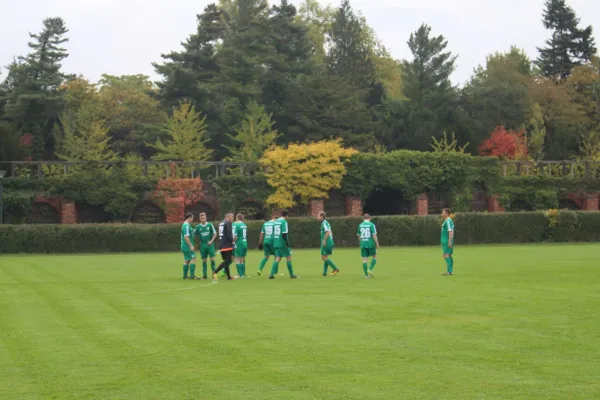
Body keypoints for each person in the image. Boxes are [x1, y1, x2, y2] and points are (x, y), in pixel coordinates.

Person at [269, 209, 298, 279]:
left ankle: (271, 274)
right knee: (289, 257)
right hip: (282, 242)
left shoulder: (276, 221)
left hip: (276, 242)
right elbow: (284, 234)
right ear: (286, 215)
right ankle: (292, 275)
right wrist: (287, 244)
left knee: (278, 258)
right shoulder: (284, 222)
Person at [193, 212, 217, 280]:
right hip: (202, 245)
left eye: (204, 218)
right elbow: (194, 235)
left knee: (212, 259)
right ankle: (204, 275)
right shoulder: (198, 227)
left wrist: (211, 241)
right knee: (204, 260)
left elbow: (215, 234)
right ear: (200, 219)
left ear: (206, 218)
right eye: (202, 218)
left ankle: (214, 274)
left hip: (210, 245)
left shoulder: (210, 225)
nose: (203, 219)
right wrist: (196, 244)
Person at [213, 212, 234, 281]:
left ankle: (228, 276)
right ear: (228, 217)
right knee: (228, 260)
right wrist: (233, 240)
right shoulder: (228, 223)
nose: (233, 218)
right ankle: (215, 271)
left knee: (226, 261)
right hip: (227, 244)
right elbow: (229, 234)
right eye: (232, 217)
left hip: (222, 244)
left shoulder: (221, 223)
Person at [318, 211, 340, 276]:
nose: (317, 217)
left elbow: (327, 232)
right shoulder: (327, 223)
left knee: (323, 258)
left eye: (318, 216)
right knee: (326, 257)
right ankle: (324, 273)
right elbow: (331, 232)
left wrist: (324, 240)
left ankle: (335, 268)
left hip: (327, 242)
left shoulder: (324, 223)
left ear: (321, 216)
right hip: (329, 241)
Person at [357, 214, 379, 278]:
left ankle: (366, 275)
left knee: (364, 259)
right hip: (370, 243)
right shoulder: (371, 225)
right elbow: (374, 235)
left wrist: (360, 242)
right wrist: (377, 243)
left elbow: (358, 235)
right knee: (374, 256)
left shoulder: (360, 225)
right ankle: (370, 269)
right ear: (369, 218)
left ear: (363, 219)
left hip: (363, 243)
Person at [180, 212, 197, 279]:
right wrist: (190, 246)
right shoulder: (186, 226)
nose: (192, 219)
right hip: (187, 246)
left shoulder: (186, 225)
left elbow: (194, 231)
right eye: (192, 218)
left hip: (184, 245)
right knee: (193, 259)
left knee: (187, 260)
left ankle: (185, 276)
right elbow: (186, 236)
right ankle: (192, 276)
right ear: (189, 218)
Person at [233, 213, 249, 278]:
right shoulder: (244, 225)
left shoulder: (237, 225)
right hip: (245, 242)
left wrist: (233, 242)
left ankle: (240, 275)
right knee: (242, 259)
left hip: (239, 243)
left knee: (237, 259)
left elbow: (235, 237)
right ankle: (243, 274)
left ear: (237, 218)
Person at [441, 208, 455, 276]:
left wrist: (449, 242)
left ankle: (449, 272)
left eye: (443, 212)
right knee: (449, 255)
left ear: (446, 213)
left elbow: (450, 231)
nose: (442, 213)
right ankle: (450, 271)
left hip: (447, 241)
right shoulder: (447, 220)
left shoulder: (448, 221)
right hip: (446, 240)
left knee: (446, 255)